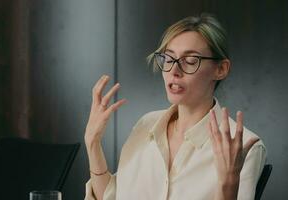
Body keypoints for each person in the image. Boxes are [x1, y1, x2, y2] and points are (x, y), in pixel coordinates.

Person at [84, 13, 266, 200]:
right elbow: (112, 197)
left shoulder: (243, 146)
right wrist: (93, 143)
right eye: (169, 59)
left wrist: (227, 185)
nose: (174, 71)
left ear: (221, 69)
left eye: (190, 61)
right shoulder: (145, 126)